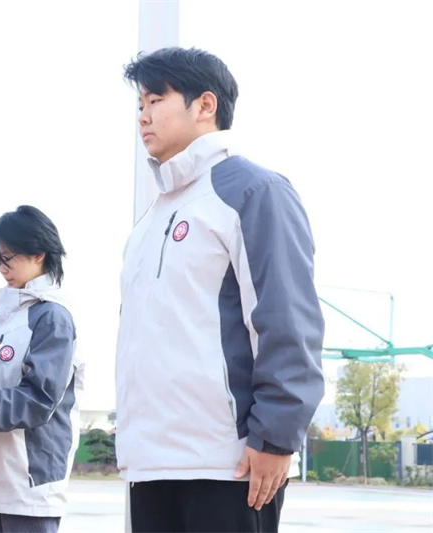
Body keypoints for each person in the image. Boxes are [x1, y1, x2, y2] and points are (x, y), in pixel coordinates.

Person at [115, 46, 325, 532]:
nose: (143, 116)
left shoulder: (252, 191)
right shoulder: (151, 219)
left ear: (205, 105)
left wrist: (275, 438)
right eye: (140, 105)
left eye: (155, 100)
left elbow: (286, 318)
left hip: (229, 463)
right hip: (152, 463)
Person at [0, 205, 83, 533]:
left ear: (38, 253)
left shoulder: (52, 317)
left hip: (28, 480)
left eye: (8, 258)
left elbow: (39, 399)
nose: (1, 268)